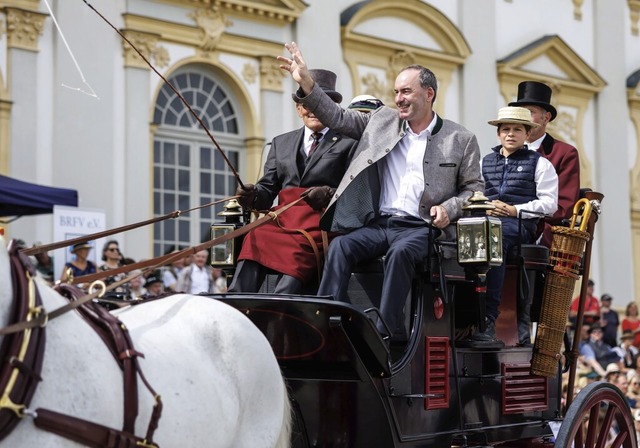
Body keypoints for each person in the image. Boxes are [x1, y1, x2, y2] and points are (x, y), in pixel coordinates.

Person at [278, 42, 484, 339]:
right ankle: (324, 320)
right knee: (341, 246)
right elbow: (337, 117)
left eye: (406, 92)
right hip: (379, 224)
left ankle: (386, 330)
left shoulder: (460, 138)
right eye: (397, 92)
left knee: (400, 253)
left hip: (421, 228)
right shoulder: (381, 121)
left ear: (429, 94)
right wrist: (306, 82)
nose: (399, 99)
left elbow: (474, 190)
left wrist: (449, 209)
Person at [230, 69, 358, 294]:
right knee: (255, 235)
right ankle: (237, 299)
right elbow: (267, 190)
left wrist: (328, 193)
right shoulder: (282, 143)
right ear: (299, 109)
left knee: (297, 246)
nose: (314, 110)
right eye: (308, 104)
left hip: (321, 220)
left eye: (321, 103)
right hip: (284, 219)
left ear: (331, 107)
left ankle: (282, 304)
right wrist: (252, 196)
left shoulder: (349, 142)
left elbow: (357, 191)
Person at [474, 106, 558, 344]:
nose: (511, 134)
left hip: (518, 226)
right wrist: (485, 206)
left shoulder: (541, 164)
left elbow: (549, 204)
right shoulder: (484, 162)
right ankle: (465, 317)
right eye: (506, 129)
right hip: (486, 220)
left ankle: (489, 320)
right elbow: (474, 192)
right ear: (499, 133)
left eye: (517, 129)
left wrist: (515, 210)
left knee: (494, 236)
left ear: (527, 133)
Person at [508, 81, 581, 248]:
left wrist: (518, 213)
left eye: (530, 112)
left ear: (546, 117)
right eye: (521, 112)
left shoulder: (565, 153)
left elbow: (563, 207)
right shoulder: (505, 152)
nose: (524, 118)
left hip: (542, 229)